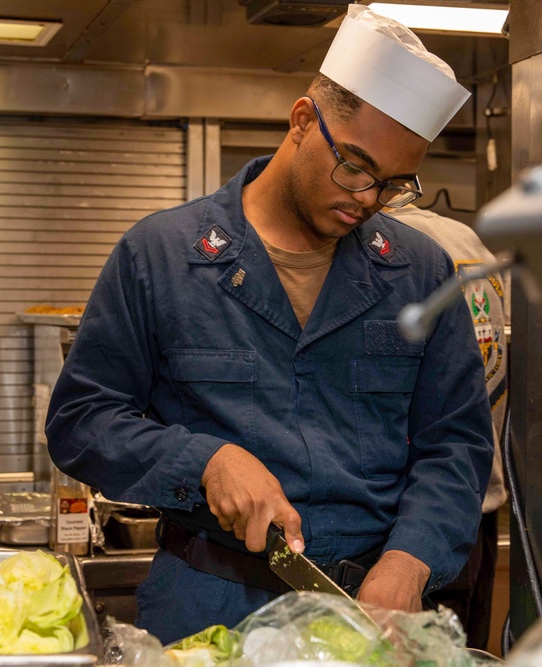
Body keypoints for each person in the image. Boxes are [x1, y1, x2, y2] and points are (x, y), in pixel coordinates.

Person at [46, 4, 494, 644]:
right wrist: (204, 459)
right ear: (302, 121)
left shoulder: (421, 273)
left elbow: (455, 445)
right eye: (357, 168)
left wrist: (410, 558)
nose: (368, 200)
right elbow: (81, 422)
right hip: (207, 609)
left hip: (371, 617)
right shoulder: (162, 256)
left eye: (394, 185)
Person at [387, 203, 508, 650]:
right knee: (465, 647)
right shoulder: (471, 244)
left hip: (408, 523)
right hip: (475, 506)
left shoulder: (380, 248)